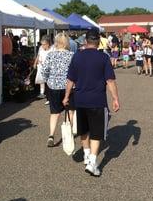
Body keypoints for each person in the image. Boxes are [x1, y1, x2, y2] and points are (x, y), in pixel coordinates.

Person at [63, 29, 120, 177]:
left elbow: (70, 80)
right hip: (97, 101)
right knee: (96, 132)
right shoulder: (103, 57)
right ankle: (93, 162)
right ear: (98, 41)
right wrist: (115, 98)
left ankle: (87, 155)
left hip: (80, 100)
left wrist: (66, 96)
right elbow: (110, 80)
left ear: (86, 41)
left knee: (84, 130)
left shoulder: (77, 57)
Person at [42, 33, 74, 147]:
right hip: (68, 87)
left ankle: (51, 135)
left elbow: (44, 70)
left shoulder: (51, 55)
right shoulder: (72, 55)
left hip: (53, 86)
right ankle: (69, 132)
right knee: (70, 110)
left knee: (54, 112)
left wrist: (48, 81)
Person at [33, 35, 51, 102]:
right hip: (41, 66)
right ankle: (42, 93)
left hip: (48, 68)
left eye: (44, 44)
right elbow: (38, 55)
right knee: (42, 80)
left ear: (48, 44)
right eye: (42, 44)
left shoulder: (52, 49)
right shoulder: (41, 48)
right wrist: (35, 63)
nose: (43, 46)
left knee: (48, 82)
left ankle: (49, 97)